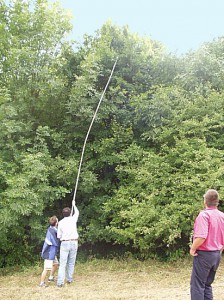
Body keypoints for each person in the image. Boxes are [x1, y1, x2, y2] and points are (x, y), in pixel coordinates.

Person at [190, 189, 224, 300]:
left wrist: (193, 248)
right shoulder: (221, 216)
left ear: (205, 201)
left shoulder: (204, 215)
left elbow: (201, 237)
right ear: (217, 202)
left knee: (197, 286)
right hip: (216, 254)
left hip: (204, 254)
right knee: (207, 284)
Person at [57, 201, 79, 287]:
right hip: (74, 242)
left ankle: (60, 282)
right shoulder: (73, 219)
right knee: (71, 263)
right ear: (70, 213)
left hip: (65, 243)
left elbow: (59, 236)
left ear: (63, 214)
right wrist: (74, 205)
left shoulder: (61, 223)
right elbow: (77, 212)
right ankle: (69, 279)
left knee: (62, 264)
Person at [39, 216, 60, 288]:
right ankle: (41, 283)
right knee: (46, 269)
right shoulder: (52, 231)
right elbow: (56, 241)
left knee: (56, 264)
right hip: (49, 252)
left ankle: (51, 277)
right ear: (56, 223)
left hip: (52, 252)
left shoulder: (52, 229)